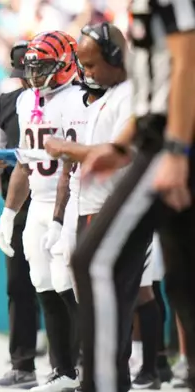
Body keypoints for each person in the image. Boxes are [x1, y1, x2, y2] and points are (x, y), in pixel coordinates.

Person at [65, 2, 195, 389]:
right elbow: (154, 86)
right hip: (160, 137)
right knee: (184, 284)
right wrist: (119, 146)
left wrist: (176, 150)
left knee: (93, 260)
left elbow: (187, 64)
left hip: (170, 142)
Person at [42, 23, 140, 392]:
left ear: (116, 57)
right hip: (90, 210)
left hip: (113, 212)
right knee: (94, 310)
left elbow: (118, 154)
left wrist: (66, 150)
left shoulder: (131, 96)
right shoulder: (109, 96)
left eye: (94, 65)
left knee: (110, 312)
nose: (89, 74)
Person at [0, 31, 83, 392]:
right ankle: (62, 371)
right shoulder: (25, 100)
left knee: (68, 286)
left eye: (43, 66)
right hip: (38, 204)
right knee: (42, 283)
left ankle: (91, 366)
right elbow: (22, 164)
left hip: (72, 200)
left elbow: (70, 167)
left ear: (64, 65)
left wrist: (61, 218)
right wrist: (8, 213)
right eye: (32, 66)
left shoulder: (78, 100)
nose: (35, 74)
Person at [0, 40, 41, 389]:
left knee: (61, 284)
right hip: (17, 199)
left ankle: (75, 359)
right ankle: (23, 362)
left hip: (53, 198)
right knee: (18, 283)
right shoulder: (8, 101)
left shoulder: (61, 100)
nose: (28, 81)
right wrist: (6, 157)